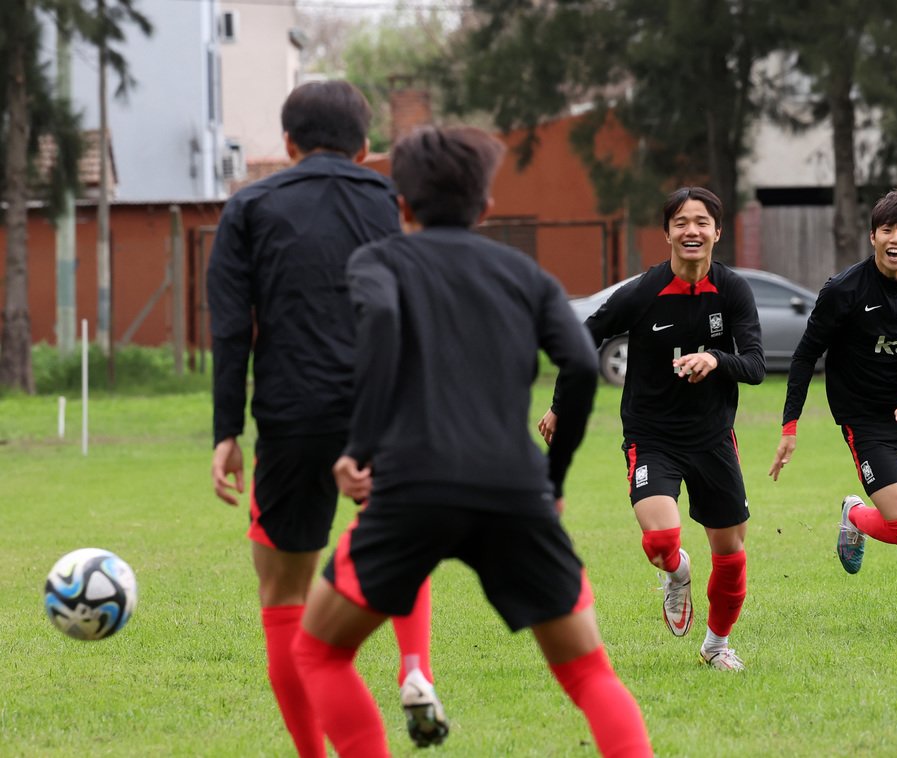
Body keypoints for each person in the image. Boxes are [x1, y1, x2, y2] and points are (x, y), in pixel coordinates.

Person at [290, 125, 652, 758]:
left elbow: (378, 327)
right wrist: (553, 478)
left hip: (410, 489)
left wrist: (359, 448)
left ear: (400, 204)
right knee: (589, 673)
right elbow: (575, 362)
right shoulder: (525, 275)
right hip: (514, 490)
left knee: (319, 652)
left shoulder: (377, 261)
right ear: (486, 208)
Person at [207, 80, 444, 755]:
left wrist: (227, 431)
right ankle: (414, 666)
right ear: (366, 147)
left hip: (292, 415)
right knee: (398, 540)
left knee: (283, 593)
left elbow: (230, 330)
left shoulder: (248, 206)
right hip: (389, 408)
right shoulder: (397, 203)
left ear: (287, 145)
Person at [539, 186, 764, 671]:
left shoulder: (733, 291)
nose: (692, 231)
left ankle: (717, 646)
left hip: (713, 438)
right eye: (681, 222)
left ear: (717, 232)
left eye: (702, 222)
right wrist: (561, 406)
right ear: (666, 233)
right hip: (652, 436)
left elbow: (755, 365)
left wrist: (715, 358)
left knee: (731, 552)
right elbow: (583, 338)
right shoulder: (643, 292)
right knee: (662, 545)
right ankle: (676, 573)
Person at [769, 182, 897, 631]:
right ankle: (854, 517)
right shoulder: (843, 290)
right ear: (873, 237)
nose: (896, 239)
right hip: (864, 418)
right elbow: (806, 355)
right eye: (887, 229)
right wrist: (790, 426)